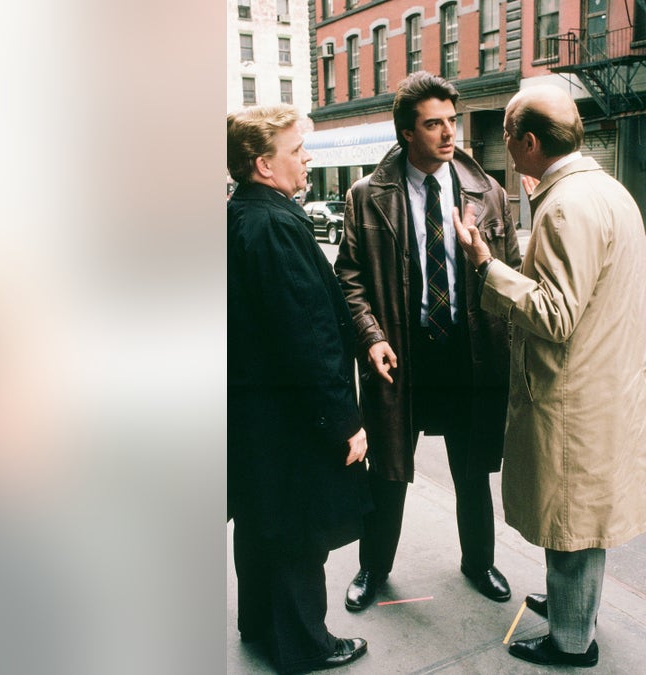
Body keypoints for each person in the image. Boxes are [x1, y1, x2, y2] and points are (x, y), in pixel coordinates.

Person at [453, 85, 646, 668]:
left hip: (576, 395)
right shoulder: (607, 190)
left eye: (506, 135)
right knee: (580, 518)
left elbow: (555, 314)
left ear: (528, 141)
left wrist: (486, 265)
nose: (503, 147)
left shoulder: (566, 204)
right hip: (603, 386)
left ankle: (572, 641)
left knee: (571, 522)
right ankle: (573, 607)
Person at [334, 72, 523, 611]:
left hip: (469, 355)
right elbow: (348, 276)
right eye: (433, 123)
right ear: (405, 133)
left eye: (452, 121)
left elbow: (507, 271)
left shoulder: (485, 191)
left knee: (472, 472)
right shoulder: (369, 196)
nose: (448, 134)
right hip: (402, 356)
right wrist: (370, 337)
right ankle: (374, 569)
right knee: (389, 473)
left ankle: (479, 563)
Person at [227, 105, 371, 673]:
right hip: (290, 416)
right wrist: (344, 421)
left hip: (254, 411)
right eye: (296, 150)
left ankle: (260, 625)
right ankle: (308, 645)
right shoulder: (277, 225)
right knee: (298, 530)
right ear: (264, 163)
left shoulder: (239, 215)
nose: (306, 158)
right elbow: (309, 336)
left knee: (261, 520)